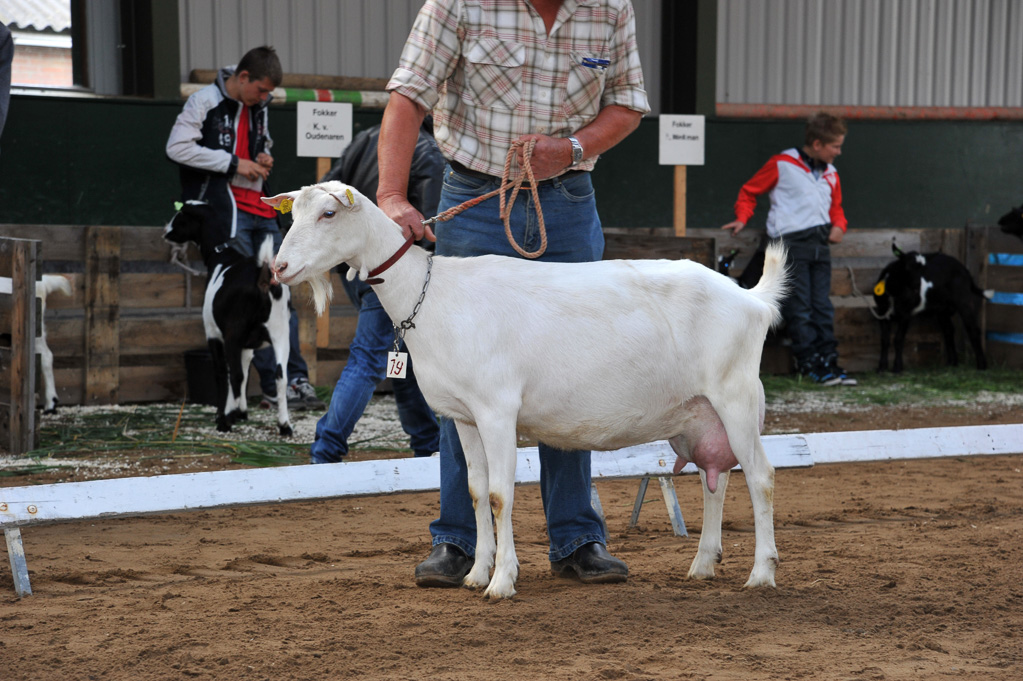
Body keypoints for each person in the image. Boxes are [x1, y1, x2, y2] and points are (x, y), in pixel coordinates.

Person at [377, 0, 650, 587]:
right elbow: (408, 97)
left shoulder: (610, 7)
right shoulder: (456, 3)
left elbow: (628, 104)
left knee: (574, 369)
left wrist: (572, 148)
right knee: (464, 377)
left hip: (570, 199)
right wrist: (393, 196)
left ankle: (577, 537)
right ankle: (458, 539)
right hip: (475, 197)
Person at [166, 45, 325, 411]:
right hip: (227, 216)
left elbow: (260, 144)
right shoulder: (203, 101)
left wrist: (263, 155)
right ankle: (272, 388)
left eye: (269, 93)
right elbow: (176, 147)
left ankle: (295, 381)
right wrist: (234, 163)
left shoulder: (259, 107)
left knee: (280, 292)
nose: (265, 97)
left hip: (263, 211)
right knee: (250, 299)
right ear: (242, 78)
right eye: (262, 90)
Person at [310, 120, 443, 463]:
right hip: (392, 275)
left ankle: (429, 445)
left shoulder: (366, 138)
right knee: (370, 359)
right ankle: (325, 451)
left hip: (354, 270)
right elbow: (431, 228)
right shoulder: (428, 151)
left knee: (401, 360)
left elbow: (328, 194)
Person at [721, 111, 856, 386]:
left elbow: (836, 208)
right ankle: (808, 363)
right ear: (817, 144)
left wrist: (839, 225)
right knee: (801, 307)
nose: (839, 152)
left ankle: (828, 361)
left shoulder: (831, 173)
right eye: (835, 146)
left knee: (822, 307)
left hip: (820, 248)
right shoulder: (783, 164)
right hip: (791, 246)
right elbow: (749, 191)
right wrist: (742, 217)